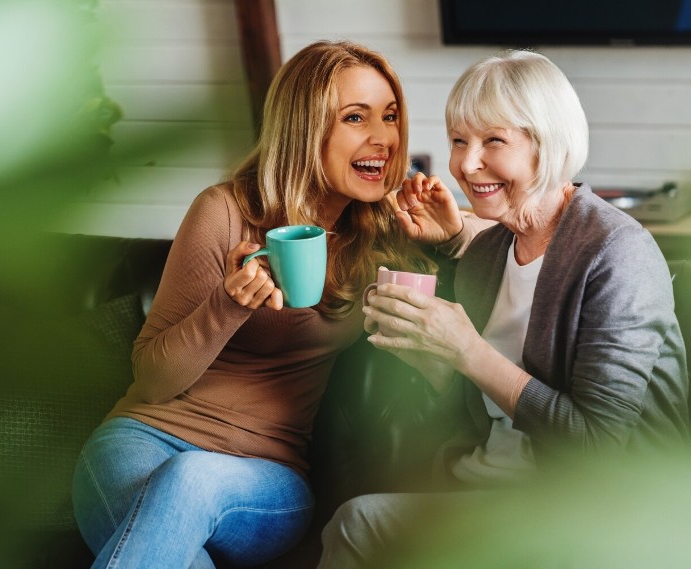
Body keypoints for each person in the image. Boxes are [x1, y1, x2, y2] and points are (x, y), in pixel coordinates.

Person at [71, 40, 436, 568]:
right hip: (140, 444)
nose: (383, 138)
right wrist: (228, 304)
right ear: (304, 128)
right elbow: (153, 381)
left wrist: (449, 236)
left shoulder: (384, 234)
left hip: (267, 479)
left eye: (391, 116)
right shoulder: (224, 211)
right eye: (356, 118)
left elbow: (505, 230)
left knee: (192, 477)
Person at [317, 49, 689, 568]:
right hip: (488, 487)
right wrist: (431, 356)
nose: (467, 165)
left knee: (358, 525)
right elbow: (482, 408)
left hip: (600, 510)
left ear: (548, 144)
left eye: (494, 141)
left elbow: (597, 444)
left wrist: (467, 351)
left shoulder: (617, 252)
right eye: (458, 141)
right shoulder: (488, 254)